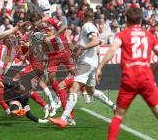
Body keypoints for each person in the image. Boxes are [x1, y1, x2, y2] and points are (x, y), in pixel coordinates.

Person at [96, 8, 158, 140]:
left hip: (129, 79)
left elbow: (111, 51)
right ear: (141, 20)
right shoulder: (149, 36)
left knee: (118, 116)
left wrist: (100, 67)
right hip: (146, 78)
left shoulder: (123, 34)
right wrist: (154, 69)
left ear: (126, 21)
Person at [49, 9, 116, 128]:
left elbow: (95, 41)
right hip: (92, 63)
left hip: (87, 63)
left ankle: (64, 118)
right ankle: (113, 106)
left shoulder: (86, 26)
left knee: (74, 88)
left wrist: (81, 48)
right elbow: (93, 45)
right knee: (91, 90)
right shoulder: (92, 27)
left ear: (83, 16)